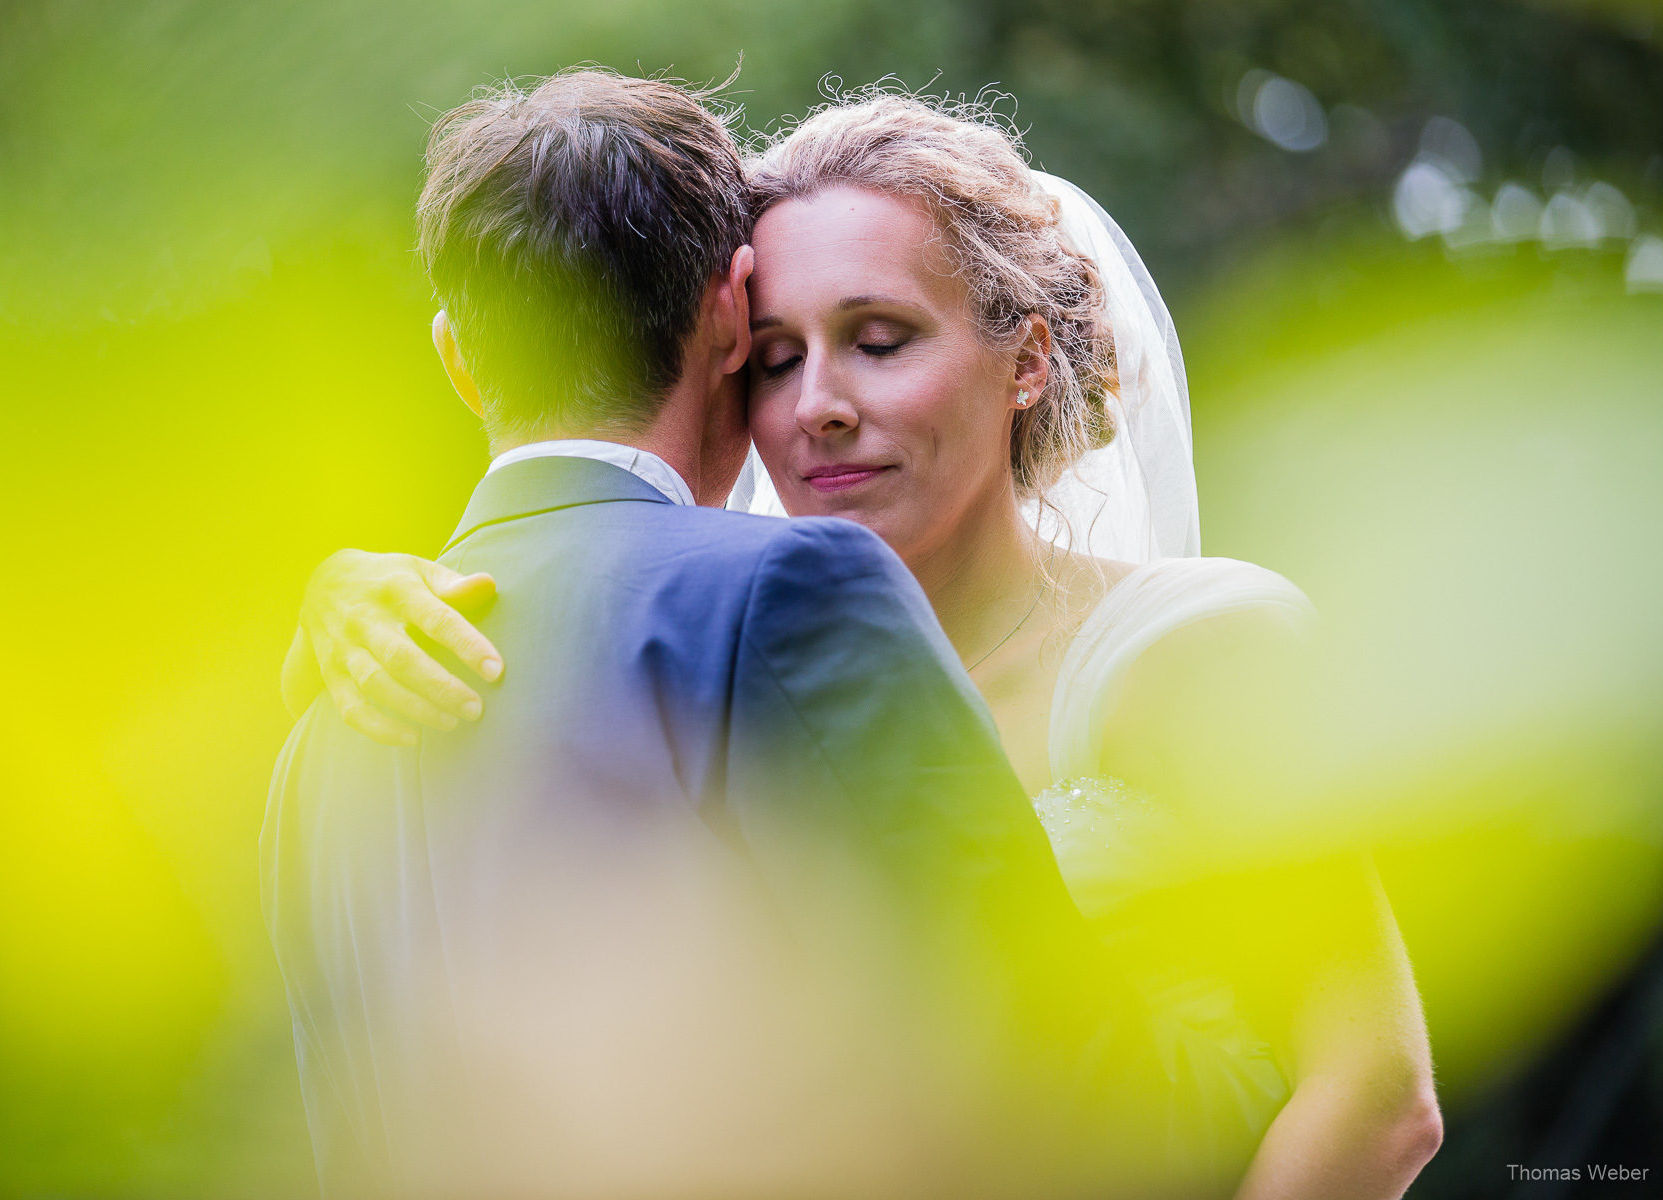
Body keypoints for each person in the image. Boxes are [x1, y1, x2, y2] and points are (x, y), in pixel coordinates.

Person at [292, 87, 1445, 1197]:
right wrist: (333, 605)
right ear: (725, 342)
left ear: (1028, 359)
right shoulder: (723, 657)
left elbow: (1379, 1099)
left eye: (881, 339)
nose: (818, 406)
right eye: (779, 358)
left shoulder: (1192, 652)